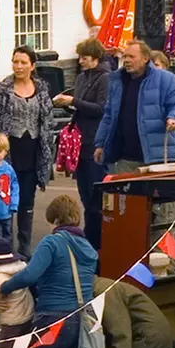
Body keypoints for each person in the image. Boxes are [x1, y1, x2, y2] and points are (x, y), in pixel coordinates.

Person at [0, 195, 98, 348]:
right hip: (84, 320)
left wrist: (5, 287)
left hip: (54, 318)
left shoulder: (52, 242)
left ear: (57, 219)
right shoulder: (88, 247)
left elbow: (29, 276)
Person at [0, 46, 55, 257]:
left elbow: (48, 121)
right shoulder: (3, 89)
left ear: (32, 66)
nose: (18, 66)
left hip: (32, 152)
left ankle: (25, 250)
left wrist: (48, 148)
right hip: (8, 152)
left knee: (26, 201)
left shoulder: (42, 88)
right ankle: (3, 248)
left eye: (23, 62)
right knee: (3, 200)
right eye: (15, 61)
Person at [93, 40, 175, 173]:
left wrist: (173, 117)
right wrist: (100, 144)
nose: (126, 60)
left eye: (131, 57)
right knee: (127, 194)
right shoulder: (117, 81)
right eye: (125, 56)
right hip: (125, 158)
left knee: (158, 194)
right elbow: (109, 116)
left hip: (158, 157)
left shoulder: (167, 79)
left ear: (145, 58)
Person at [54, 38, 109, 249]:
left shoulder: (105, 79)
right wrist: (67, 105)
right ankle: (90, 239)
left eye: (84, 58)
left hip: (95, 141)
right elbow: (81, 108)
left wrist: (73, 102)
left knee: (96, 197)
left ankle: (97, 241)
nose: (80, 61)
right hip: (79, 143)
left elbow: (101, 108)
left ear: (95, 58)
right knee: (85, 195)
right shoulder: (81, 78)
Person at [93, 277, 172, 348]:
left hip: (147, 341)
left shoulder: (102, 290)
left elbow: (121, 335)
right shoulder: (100, 286)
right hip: (150, 337)